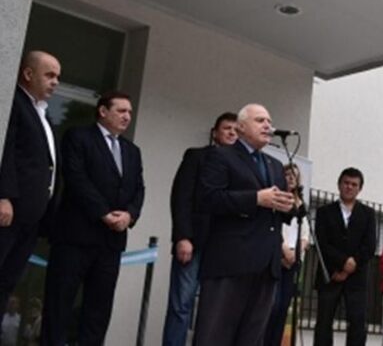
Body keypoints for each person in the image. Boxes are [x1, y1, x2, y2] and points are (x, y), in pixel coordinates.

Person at [42, 90, 146, 346]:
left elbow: (139, 188)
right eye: (121, 111)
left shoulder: (131, 150)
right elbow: (76, 179)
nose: (127, 117)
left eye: (130, 112)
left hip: (110, 243)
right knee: (59, 305)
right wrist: (103, 213)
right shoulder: (78, 137)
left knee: (98, 310)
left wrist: (130, 214)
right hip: (75, 237)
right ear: (103, 111)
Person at [193, 103, 298, 346]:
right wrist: (255, 198)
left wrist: (286, 205)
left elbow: (277, 210)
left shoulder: (274, 165)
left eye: (269, 122)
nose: (268, 126)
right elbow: (208, 199)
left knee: (251, 338)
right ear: (241, 127)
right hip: (230, 262)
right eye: (260, 120)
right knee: (215, 335)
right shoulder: (220, 156)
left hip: (266, 265)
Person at [162, 112, 238, 346]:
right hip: (194, 242)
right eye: (227, 128)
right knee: (181, 305)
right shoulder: (197, 157)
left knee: (215, 310)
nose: (232, 133)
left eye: (236, 129)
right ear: (215, 133)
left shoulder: (242, 166)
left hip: (225, 248)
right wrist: (182, 237)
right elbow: (181, 198)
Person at [0, 51, 61, 328]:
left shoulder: (45, 117)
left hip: (31, 219)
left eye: (58, 77)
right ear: (27, 74)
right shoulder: (14, 103)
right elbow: (6, 150)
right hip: (9, 212)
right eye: (49, 75)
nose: (55, 82)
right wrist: (4, 195)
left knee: (8, 282)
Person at [313, 167, 376, 346]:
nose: (349, 187)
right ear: (339, 185)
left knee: (357, 323)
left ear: (359, 189)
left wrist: (351, 266)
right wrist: (342, 263)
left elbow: (369, 246)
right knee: (324, 323)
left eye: (354, 184)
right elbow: (322, 243)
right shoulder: (324, 212)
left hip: (356, 278)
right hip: (330, 275)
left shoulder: (368, 214)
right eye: (346, 183)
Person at [263, 163, 310, 346]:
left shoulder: (301, 204)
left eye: (295, 175)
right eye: (288, 174)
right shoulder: (276, 197)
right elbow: (274, 227)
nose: (291, 178)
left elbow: (305, 234)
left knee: (283, 307)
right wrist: (285, 251)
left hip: (294, 260)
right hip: (278, 256)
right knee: (271, 306)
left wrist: (297, 253)